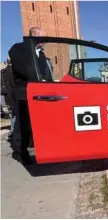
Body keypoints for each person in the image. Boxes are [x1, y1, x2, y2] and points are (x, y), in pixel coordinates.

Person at [8, 26, 48, 165]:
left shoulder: (41, 54)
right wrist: (39, 80)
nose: (45, 41)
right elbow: (22, 68)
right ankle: (19, 152)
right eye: (43, 37)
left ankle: (36, 146)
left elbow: (45, 72)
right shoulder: (18, 48)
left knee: (35, 122)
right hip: (23, 92)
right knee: (22, 122)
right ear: (34, 35)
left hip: (39, 92)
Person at [1, 57, 16, 141]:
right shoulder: (16, 71)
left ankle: (13, 130)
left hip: (7, 96)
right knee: (16, 114)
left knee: (12, 114)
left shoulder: (2, 72)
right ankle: (14, 131)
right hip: (15, 95)